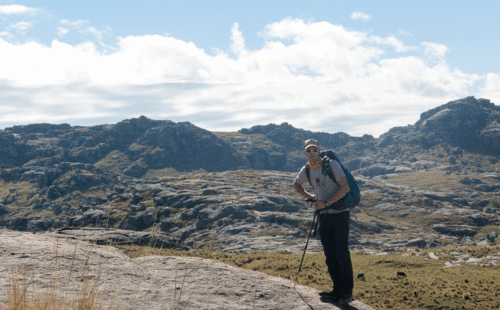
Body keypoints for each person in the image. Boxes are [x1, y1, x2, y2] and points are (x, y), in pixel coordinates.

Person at [292, 139, 355, 305]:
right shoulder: (306, 169)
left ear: (319, 150)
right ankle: (337, 290)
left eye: (314, 149)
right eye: (308, 150)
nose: (312, 153)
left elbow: (345, 187)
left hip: (340, 214)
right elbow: (296, 184)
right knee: (330, 254)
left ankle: (347, 293)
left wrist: (326, 202)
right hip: (323, 215)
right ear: (304, 153)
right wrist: (311, 197)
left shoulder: (331, 164)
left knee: (342, 252)